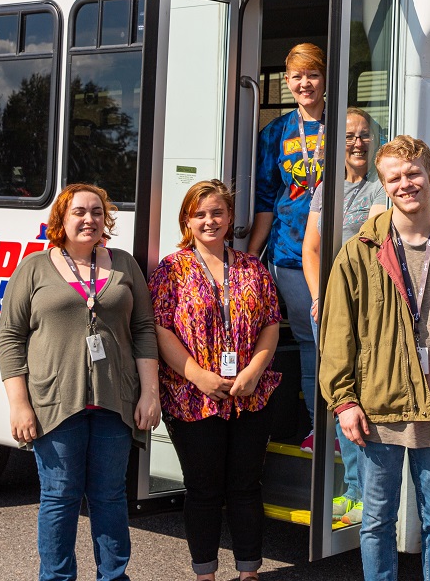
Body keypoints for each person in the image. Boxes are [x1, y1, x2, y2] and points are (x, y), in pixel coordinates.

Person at [318, 135, 430, 581]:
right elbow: (337, 335)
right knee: (376, 523)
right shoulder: (360, 251)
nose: (405, 183)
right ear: (383, 185)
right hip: (378, 408)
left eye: (413, 173)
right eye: (394, 177)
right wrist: (344, 401)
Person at [0, 183, 161, 581]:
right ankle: (55, 578)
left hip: (115, 402)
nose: (89, 219)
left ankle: (113, 576)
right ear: (61, 220)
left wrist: (150, 394)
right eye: (79, 212)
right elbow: (10, 337)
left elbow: (143, 328)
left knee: (109, 498)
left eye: (97, 212)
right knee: (59, 497)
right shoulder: (34, 267)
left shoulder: (124, 264)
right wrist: (19, 404)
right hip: (54, 404)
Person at [150, 179, 281, 581]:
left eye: (217, 213)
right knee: (204, 489)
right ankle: (204, 573)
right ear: (188, 220)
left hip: (249, 396)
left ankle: (248, 572)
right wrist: (199, 376)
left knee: (245, 486)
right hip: (193, 397)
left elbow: (271, 324)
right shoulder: (171, 269)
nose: (210, 220)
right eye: (201, 214)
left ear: (229, 218)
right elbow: (160, 329)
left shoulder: (253, 267)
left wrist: (253, 372)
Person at [300, 107, 388, 525]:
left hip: (361, 310)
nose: (357, 142)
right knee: (341, 399)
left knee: (360, 400)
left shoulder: (379, 188)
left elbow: (367, 248)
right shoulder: (326, 188)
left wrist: (340, 301)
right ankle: (352, 490)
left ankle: (361, 493)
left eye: (365, 135)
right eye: (349, 135)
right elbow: (311, 250)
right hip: (328, 308)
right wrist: (320, 297)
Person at [248, 42, 325, 445]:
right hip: (290, 252)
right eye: (296, 76)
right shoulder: (276, 132)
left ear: (325, 78)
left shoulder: (345, 126)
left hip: (339, 253)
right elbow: (265, 196)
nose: (304, 83)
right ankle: (318, 427)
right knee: (311, 338)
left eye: (312, 74)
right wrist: (253, 253)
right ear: (287, 82)